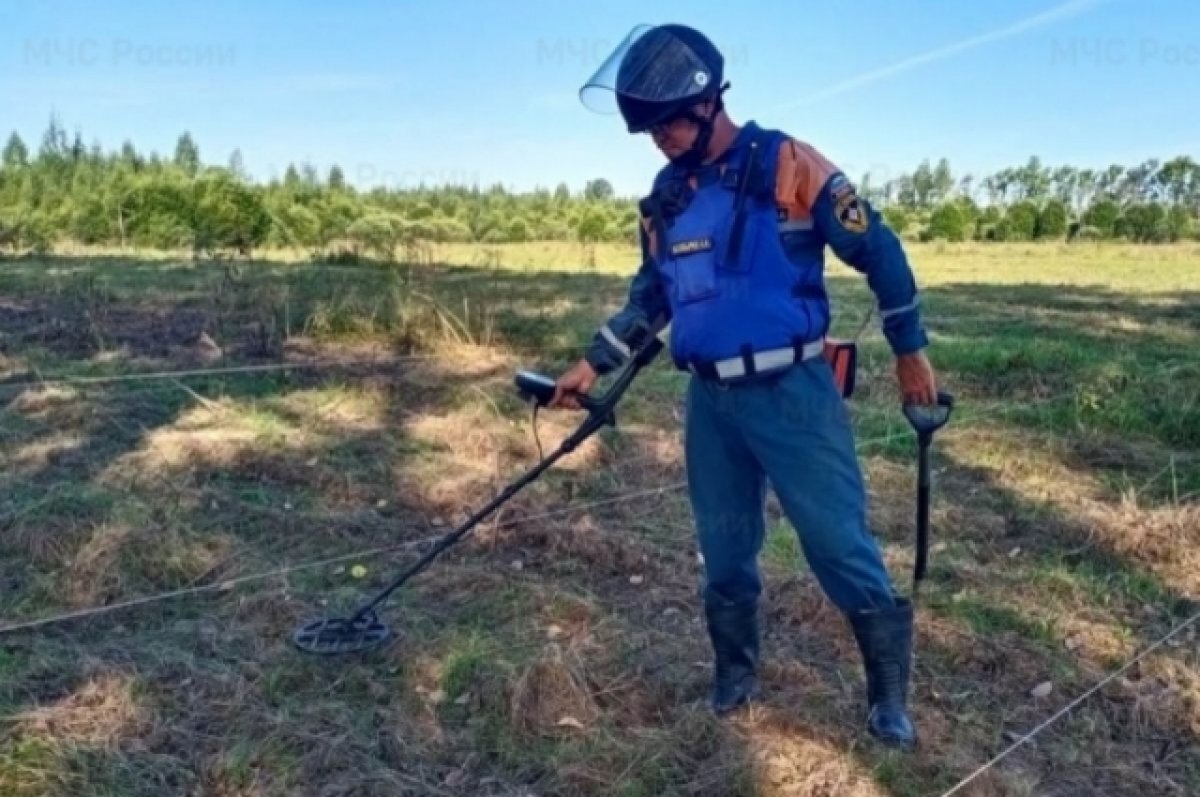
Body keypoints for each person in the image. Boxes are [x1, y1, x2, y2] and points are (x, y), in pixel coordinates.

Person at [551, 23, 938, 749]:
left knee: (836, 541)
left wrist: (909, 352)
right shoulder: (665, 198)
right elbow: (651, 297)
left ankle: (888, 696)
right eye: (649, 130)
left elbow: (878, 250)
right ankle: (735, 674)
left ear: (707, 103)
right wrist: (591, 363)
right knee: (724, 549)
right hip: (712, 405)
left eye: (668, 123)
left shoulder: (786, 163)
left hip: (794, 394)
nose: (658, 140)